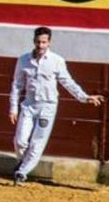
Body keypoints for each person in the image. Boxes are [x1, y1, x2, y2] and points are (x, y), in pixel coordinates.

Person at [9, 27, 104, 185]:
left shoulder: (56, 61)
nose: (41, 45)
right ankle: (23, 162)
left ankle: (21, 173)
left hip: (48, 105)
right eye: (38, 42)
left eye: (44, 42)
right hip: (29, 104)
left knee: (37, 143)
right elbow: (17, 85)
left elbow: (67, 82)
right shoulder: (23, 59)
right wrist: (13, 108)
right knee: (20, 141)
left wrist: (84, 97)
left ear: (49, 43)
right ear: (34, 41)